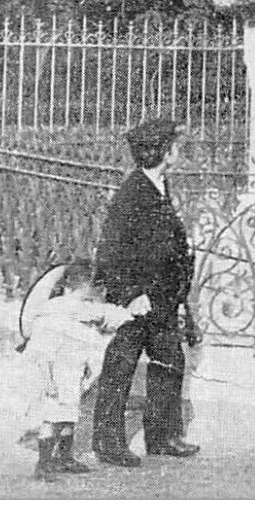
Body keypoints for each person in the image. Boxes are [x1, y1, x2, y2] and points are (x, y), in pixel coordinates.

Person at [91, 118, 202, 466]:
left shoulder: (158, 185)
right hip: (139, 301)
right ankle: (108, 444)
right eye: (175, 147)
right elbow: (110, 252)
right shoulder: (133, 193)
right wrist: (129, 296)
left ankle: (163, 436)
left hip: (162, 298)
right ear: (164, 152)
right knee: (120, 367)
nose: (179, 152)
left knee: (171, 360)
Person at [18, 261, 150, 480]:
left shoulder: (78, 308)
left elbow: (107, 315)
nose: (91, 300)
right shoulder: (56, 311)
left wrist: (129, 313)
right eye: (91, 292)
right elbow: (41, 351)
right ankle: (43, 464)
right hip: (54, 375)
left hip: (71, 373)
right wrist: (47, 380)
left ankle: (64, 456)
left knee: (69, 416)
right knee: (52, 419)